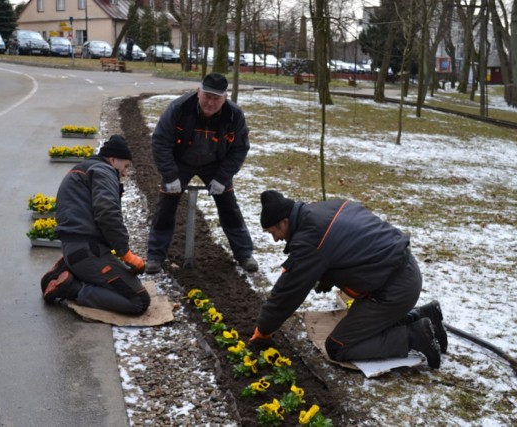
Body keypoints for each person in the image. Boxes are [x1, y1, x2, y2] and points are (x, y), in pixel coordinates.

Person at [249, 190, 448, 369]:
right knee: (361, 327)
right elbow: (347, 244)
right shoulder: (325, 209)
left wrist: (264, 330)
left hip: (392, 290)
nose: (275, 239)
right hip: (405, 271)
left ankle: (414, 335)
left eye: (272, 232)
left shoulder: (310, 239)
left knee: (338, 346)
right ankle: (425, 315)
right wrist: (327, 276)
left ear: (284, 221)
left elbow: (287, 291)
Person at [145, 72, 258, 274]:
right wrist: (170, 176)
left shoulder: (234, 116)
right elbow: (160, 141)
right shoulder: (179, 109)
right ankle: (155, 255)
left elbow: (240, 148)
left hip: (215, 164)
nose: (210, 102)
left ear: (225, 98)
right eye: (207, 96)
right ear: (198, 92)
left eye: (216, 98)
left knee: (229, 207)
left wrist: (223, 178)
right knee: (165, 207)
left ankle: (244, 254)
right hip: (180, 162)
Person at [40, 135, 150, 315]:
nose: (124, 173)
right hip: (88, 251)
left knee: (123, 285)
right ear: (113, 159)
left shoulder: (85, 169)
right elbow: (107, 212)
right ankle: (72, 288)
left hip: (76, 249)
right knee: (139, 300)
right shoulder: (104, 171)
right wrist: (125, 253)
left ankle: (69, 271)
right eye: (125, 167)